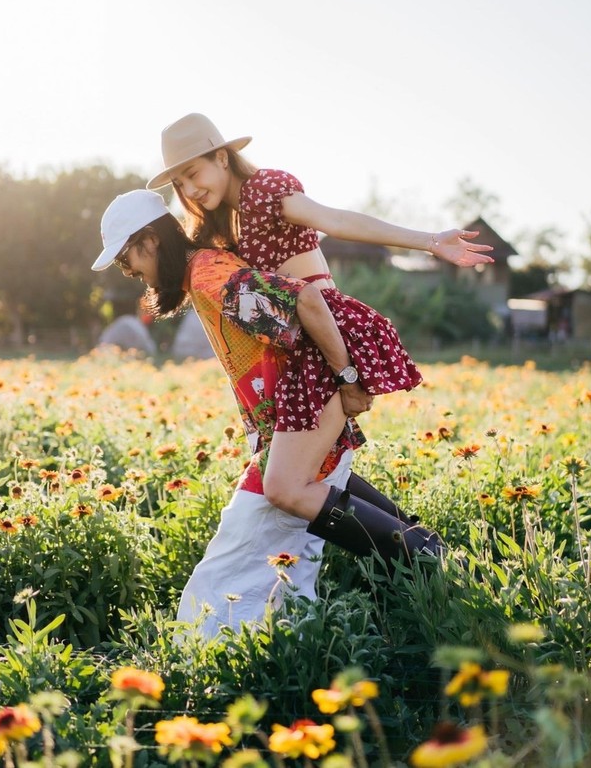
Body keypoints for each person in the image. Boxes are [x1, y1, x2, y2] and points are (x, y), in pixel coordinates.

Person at [92, 190, 442, 637]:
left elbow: (307, 302)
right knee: (309, 496)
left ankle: (421, 552)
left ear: (149, 242)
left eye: (127, 261)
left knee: (232, 560)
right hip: (289, 419)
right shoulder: (203, 274)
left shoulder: (208, 278)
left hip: (305, 405)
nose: (132, 273)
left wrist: (349, 378)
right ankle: (416, 549)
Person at [145, 113, 493, 541]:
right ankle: (423, 552)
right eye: (179, 183)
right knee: (312, 474)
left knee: (285, 487)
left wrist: (428, 240)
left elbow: (335, 221)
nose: (190, 190)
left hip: (327, 331)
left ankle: (424, 555)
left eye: (193, 173)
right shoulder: (232, 218)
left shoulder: (264, 190)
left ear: (222, 157)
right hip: (306, 342)